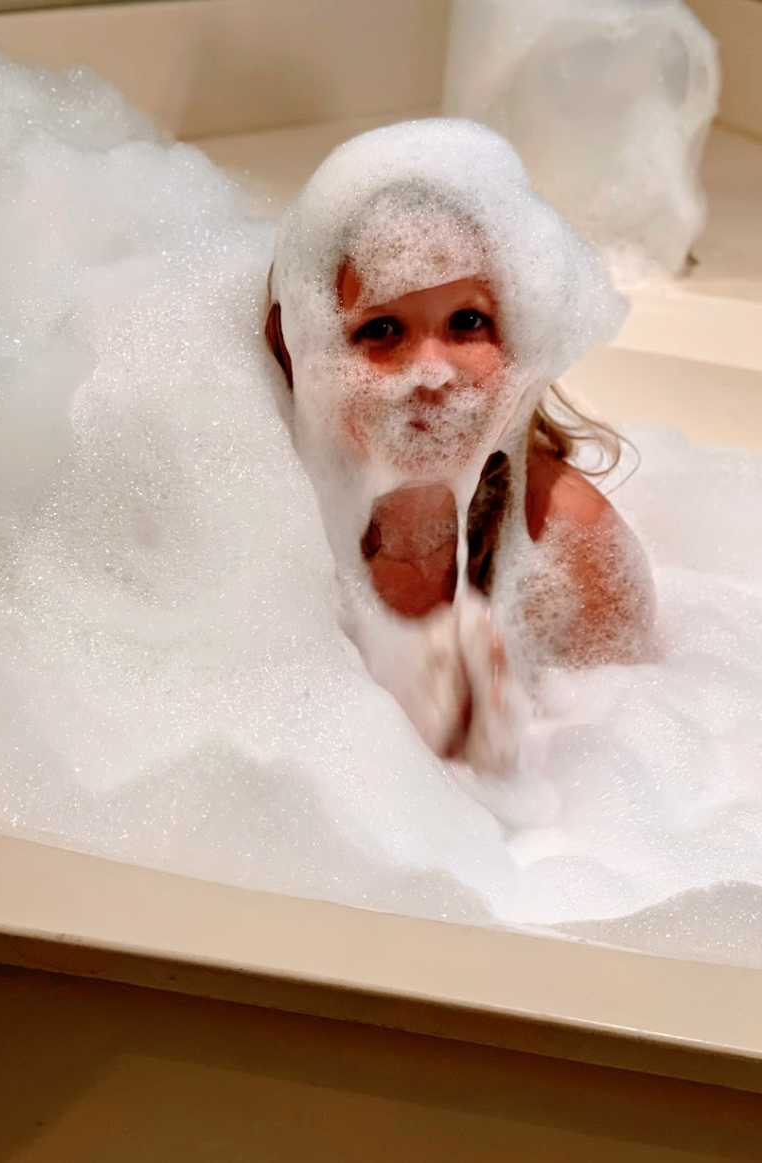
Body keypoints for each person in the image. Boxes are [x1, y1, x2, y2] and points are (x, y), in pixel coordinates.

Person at [265, 120, 656, 773]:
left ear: (525, 338)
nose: (432, 372)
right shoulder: (258, 531)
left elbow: (646, 766)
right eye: (382, 328)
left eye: (468, 322)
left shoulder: (568, 547)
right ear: (301, 350)